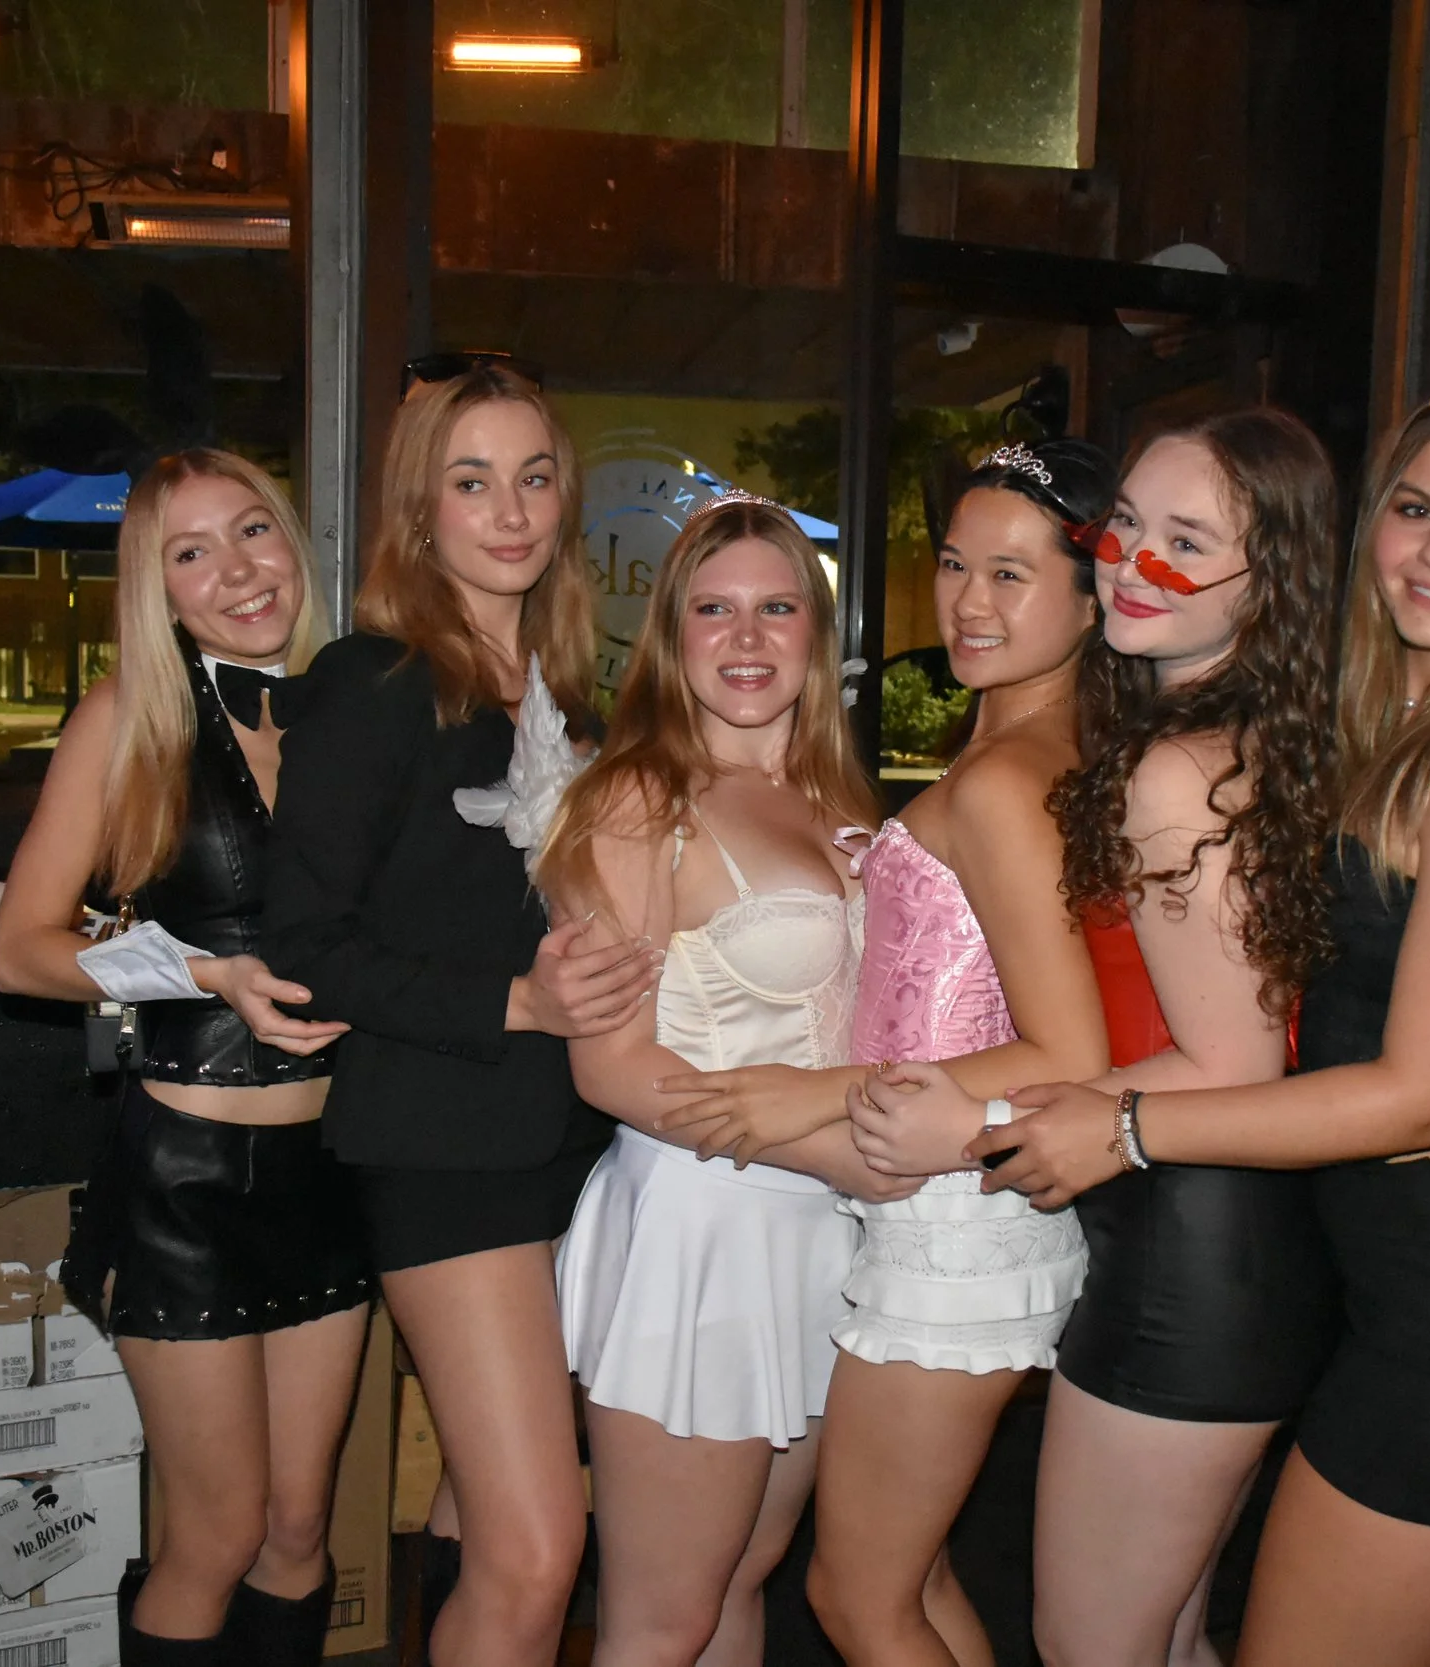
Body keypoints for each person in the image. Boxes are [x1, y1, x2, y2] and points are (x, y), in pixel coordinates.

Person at [973, 378, 1430, 1667]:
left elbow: (1423, 1091)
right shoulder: (1393, 727)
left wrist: (1126, 1124)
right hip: (1390, 1295)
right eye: (1415, 509)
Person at [857, 409, 1348, 1666]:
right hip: (1210, 1240)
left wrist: (977, 1119)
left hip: (1195, 1253)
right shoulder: (1190, 736)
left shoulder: (1174, 766)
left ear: (1270, 579)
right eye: (1126, 525)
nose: (1135, 561)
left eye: (1187, 540)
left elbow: (1232, 1062)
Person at [662, 439, 1116, 1666]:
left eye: (1013, 574)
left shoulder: (1009, 776)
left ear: (1091, 598)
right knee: (907, 1582)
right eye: (957, 565)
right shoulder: (1016, 751)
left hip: (958, 1227)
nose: (970, 600)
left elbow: (1066, 1041)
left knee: (857, 1599)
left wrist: (811, 1092)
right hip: (948, 1215)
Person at [262, 364, 659, 1667]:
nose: (510, 509)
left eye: (535, 476)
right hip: (441, 1151)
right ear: (419, 507)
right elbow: (305, 949)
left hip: (572, 1144)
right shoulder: (371, 683)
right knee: (544, 1545)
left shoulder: (573, 696)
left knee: (486, 1517)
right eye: (472, 479)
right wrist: (518, 999)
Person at [0, 448, 371, 1667]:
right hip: (186, 1183)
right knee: (216, 1531)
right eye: (190, 552)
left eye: (252, 531)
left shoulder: (357, 705)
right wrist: (201, 972)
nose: (235, 571)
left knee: (303, 1528)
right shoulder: (128, 716)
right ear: (155, 587)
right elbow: (21, 952)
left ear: (292, 542)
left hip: (333, 1169)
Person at [543, 492, 918, 1667]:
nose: (746, 638)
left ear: (817, 634)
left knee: (745, 1575)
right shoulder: (635, 798)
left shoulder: (841, 800)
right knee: (661, 1618)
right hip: (703, 1227)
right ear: (669, 633)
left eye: (775, 608)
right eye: (713, 609)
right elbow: (610, 1065)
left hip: (828, 1230)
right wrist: (841, 1146)